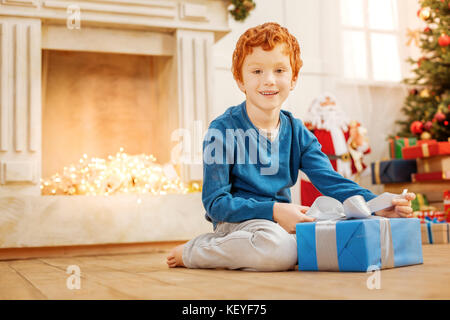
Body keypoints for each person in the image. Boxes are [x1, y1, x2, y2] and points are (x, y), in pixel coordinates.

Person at [166, 22, 415, 272]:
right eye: (257, 71)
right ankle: (195, 251)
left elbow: (331, 180)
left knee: (325, 232)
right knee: (281, 251)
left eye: (279, 70)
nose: (269, 81)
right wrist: (274, 211)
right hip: (238, 223)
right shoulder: (221, 130)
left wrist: (377, 204)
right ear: (240, 79)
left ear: (293, 78)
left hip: (284, 223)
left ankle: (280, 246)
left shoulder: (297, 132)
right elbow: (215, 203)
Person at [300, 92, 371, 207]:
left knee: (348, 202)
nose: (330, 107)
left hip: (346, 170)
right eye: (325, 104)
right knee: (320, 206)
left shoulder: (348, 126)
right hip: (321, 172)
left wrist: (358, 139)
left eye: (332, 104)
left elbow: (363, 149)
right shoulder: (309, 128)